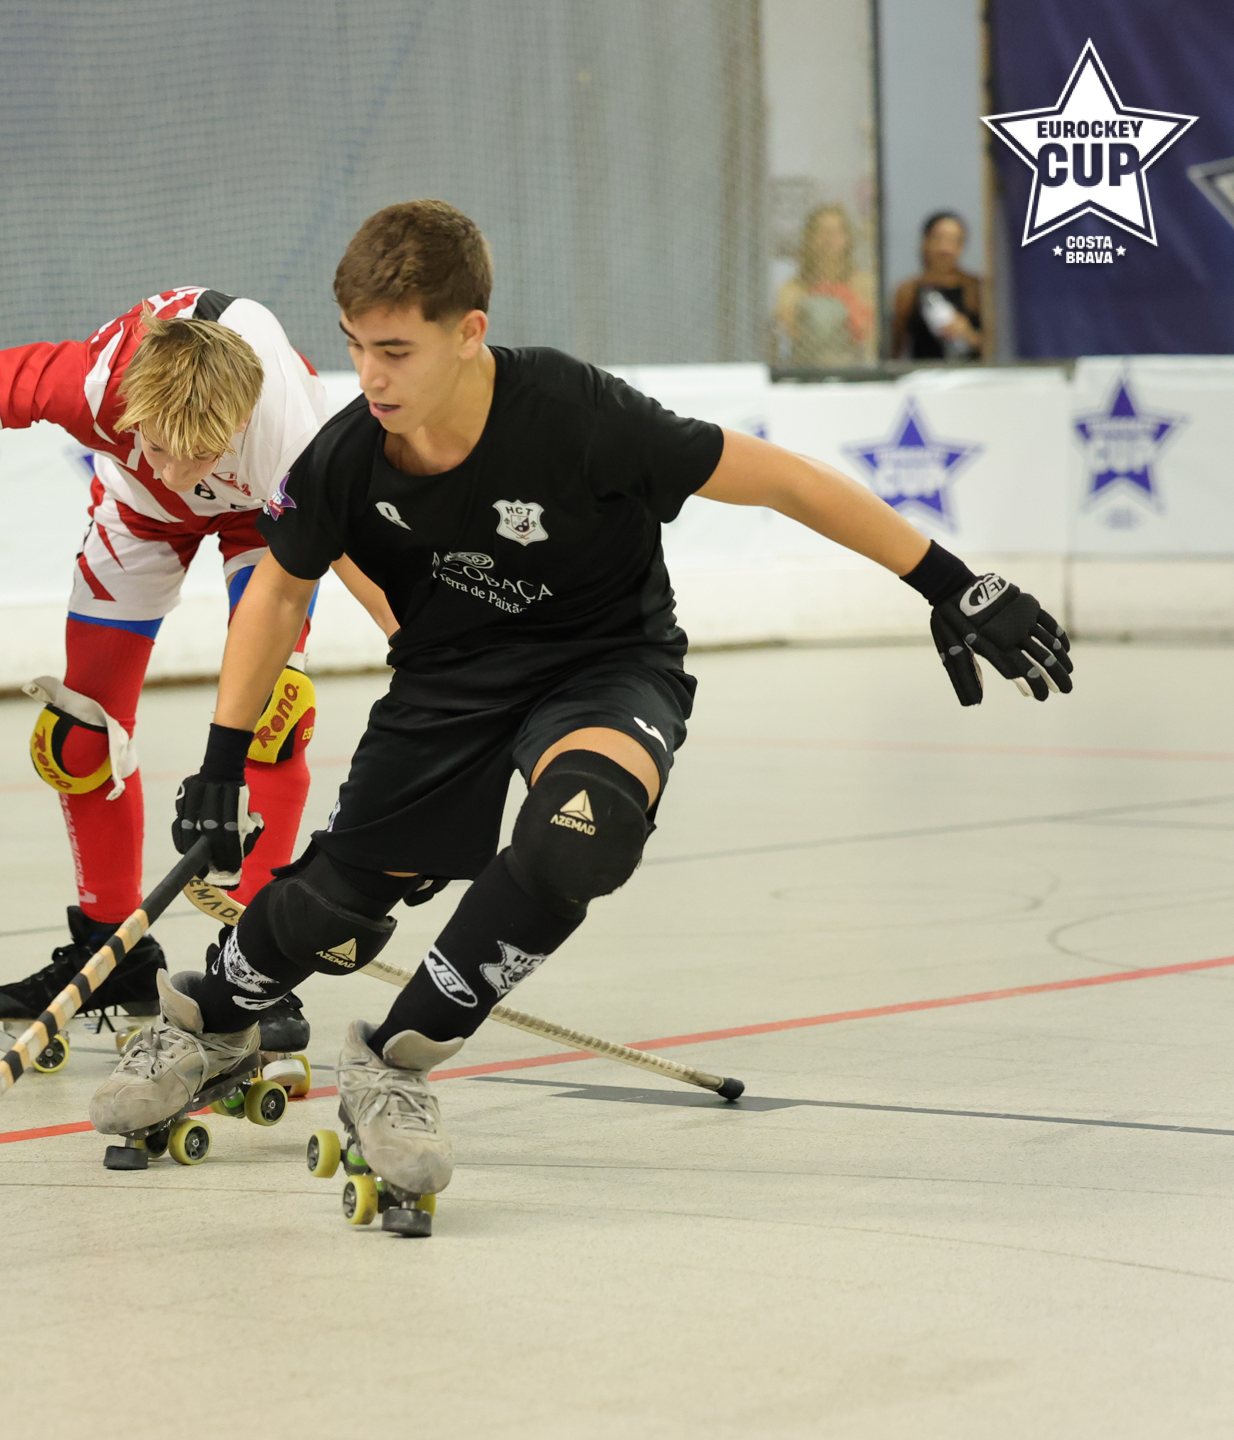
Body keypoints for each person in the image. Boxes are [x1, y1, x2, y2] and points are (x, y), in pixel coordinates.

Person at [89, 200, 1072, 1217]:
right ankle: (211, 1023)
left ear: (469, 332)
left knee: (581, 834)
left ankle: (392, 1063)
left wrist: (951, 582)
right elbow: (280, 593)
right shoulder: (345, 455)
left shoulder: (576, 413)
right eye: (355, 348)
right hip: (447, 682)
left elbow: (781, 480)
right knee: (331, 909)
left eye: (396, 350)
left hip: (606, 668)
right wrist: (222, 760)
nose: (370, 377)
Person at [0, 289, 394, 1057]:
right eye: (159, 446)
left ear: (239, 423)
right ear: (130, 407)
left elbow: (351, 555)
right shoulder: (91, 382)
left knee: (274, 718)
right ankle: (114, 949)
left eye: (199, 454)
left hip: (265, 511)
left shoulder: (287, 431)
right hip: (139, 512)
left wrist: (419, 650)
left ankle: (256, 966)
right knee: (78, 737)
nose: (180, 473)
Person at [773, 203, 876, 367]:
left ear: (847, 239)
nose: (829, 239)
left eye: (836, 232)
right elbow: (786, 331)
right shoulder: (793, 288)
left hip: (854, 370)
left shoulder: (864, 284)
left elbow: (872, 336)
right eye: (821, 231)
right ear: (809, 239)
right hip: (806, 370)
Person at [890, 211, 984, 361]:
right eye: (938, 239)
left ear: (961, 246)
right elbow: (895, 348)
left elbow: (997, 347)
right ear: (925, 242)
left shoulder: (975, 289)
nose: (944, 249)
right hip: (924, 373)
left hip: (968, 373)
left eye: (953, 241)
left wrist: (969, 335)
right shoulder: (908, 291)